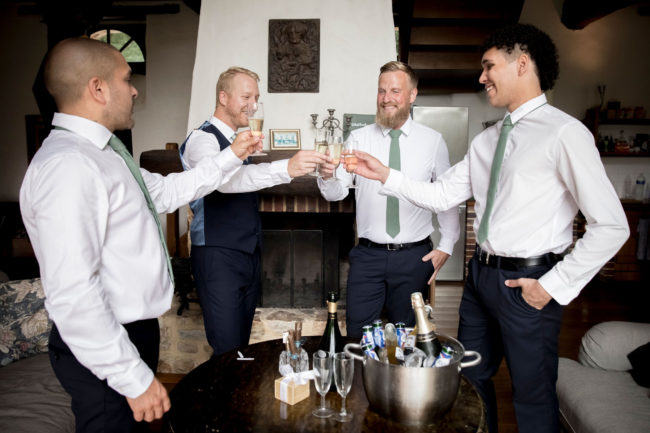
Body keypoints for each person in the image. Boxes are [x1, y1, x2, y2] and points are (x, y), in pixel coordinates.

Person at [349, 25, 630, 433]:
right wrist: (385, 174)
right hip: (479, 280)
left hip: (530, 282)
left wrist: (552, 285)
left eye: (488, 66)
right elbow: (441, 195)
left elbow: (612, 226)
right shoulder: (486, 141)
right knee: (470, 382)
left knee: (532, 395)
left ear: (522, 63)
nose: (481, 77)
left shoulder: (565, 134)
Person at [19, 38, 261, 432]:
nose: (134, 91)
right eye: (127, 79)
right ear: (98, 88)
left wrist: (232, 155)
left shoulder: (105, 155)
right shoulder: (69, 166)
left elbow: (166, 191)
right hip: (106, 344)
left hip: (132, 333)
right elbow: (73, 293)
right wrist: (132, 376)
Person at [179, 67, 328, 356]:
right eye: (246, 97)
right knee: (226, 350)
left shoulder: (239, 142)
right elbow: (225, 183)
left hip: (247, 255)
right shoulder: (202, 140)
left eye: (256, 98)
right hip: (217, 255)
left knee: (240, 347)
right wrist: (287, 168)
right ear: (223, 97)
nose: (254, 105)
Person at [317, 61, 460, 338]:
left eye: (395, 91)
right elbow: (337, 193)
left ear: (412, 94)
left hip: (414, 257)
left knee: (408, 339)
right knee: (358, 337)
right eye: (381, 91)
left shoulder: (433, 141)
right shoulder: (357, 139)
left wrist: (447, 245)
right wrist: (326, 176)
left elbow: (446, 196)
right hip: (367, 256)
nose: (386, 99)